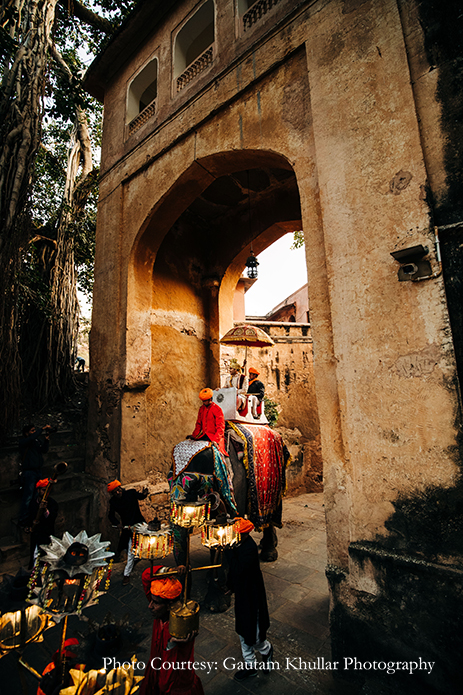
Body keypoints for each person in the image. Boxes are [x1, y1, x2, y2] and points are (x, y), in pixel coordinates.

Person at [139, 566, 204, 695]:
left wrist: (172, 645)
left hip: (175, 683)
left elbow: (166, 683)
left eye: (155, 603)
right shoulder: (160, 612)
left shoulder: (181, 628)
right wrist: (169, 570)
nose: (150, 606)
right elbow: (146, 575)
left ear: (169, 606)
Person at [226, 517, 273, 681]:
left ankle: (266, 649)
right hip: (241, 593)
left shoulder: (249, 549)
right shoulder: (238, 544)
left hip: (251, 595)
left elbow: (238, 569)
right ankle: (250, 665)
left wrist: (228, 551)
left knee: (254, 632)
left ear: (245, 534)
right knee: (243, 631)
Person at [107, 480, 149, 585]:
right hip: (128, 527)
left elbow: (140, 496)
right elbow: (111, 515)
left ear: (120, 488)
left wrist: (144, 494)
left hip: (139, 523)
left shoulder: (130, 493)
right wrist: (117, 523)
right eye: (115, 492)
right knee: (130, 550)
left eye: (118, 490)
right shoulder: (113, 502)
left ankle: (137, 558)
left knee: (145, 544)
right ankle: (127, 574)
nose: (117, 492)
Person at [18, 424, 52, 529]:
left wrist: (46, 440)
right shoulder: (24, 442)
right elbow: (32, 437)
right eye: (32, 431)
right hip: (29, 472)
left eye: (34, 430)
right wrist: (41, 429)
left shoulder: (35, 442)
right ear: (26, 433)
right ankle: (23, 520)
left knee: (35, 496)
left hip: (37, 471)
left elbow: (44, 450)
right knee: (28, 497)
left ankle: (33, 516)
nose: (34, 432)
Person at [28, 478, 58, 568]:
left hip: (46, 533)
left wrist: (45, 510)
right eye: (43, 490)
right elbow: (30, 516)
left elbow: (52, 518)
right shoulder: (33, 503)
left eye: (47, 490)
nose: (45, 493)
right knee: (35, 554)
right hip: (36, 533)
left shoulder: (52, 503)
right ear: (38, 490)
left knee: (47, 556)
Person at [188, 388, 227, 456]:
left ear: (210, 399)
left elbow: (220, 427)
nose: (203, 403)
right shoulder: (201, 409)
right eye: (202, 401)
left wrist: (215, 440)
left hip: (214, 437)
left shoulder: (217, 409)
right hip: (204, 436)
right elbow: (198, 424)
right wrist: (194, 435)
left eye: (205, 401)